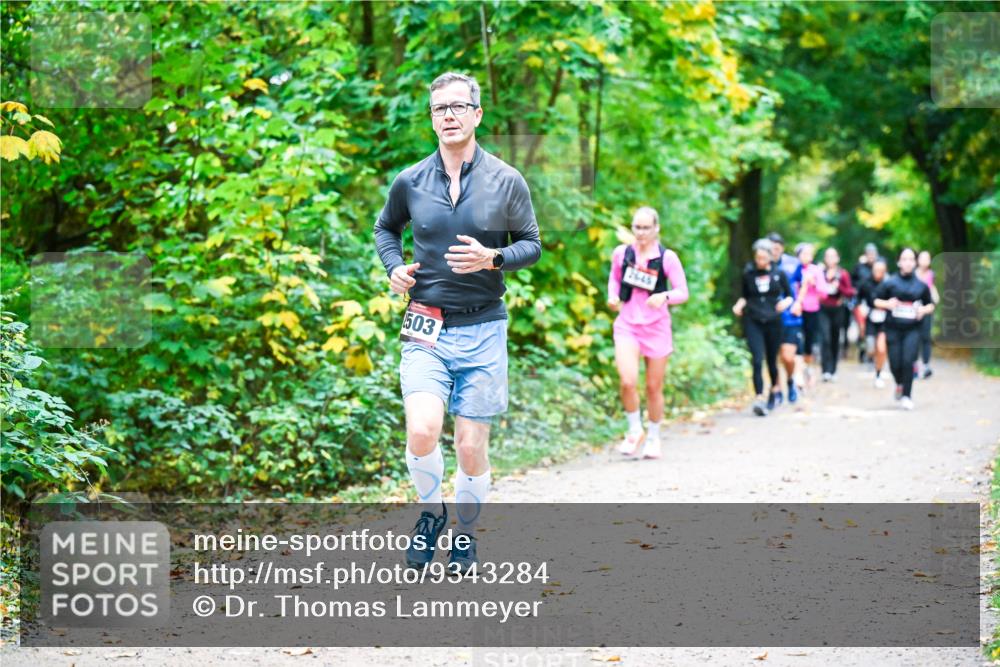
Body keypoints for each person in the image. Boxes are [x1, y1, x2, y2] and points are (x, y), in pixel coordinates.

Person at [374, 72, 542, 572]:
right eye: (438, 109)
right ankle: (432, 512)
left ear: (476, 114)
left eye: (456, 107)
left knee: (470, 447)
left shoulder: (506, 179)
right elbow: (386, 228)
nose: (447, 115)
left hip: (484, 327)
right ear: (431, 119)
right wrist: (394, 267)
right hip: (426, 325)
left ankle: (465, 533)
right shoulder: (411, 180)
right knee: (422, 432)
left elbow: (531, 244)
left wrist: (494, 258)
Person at [607, 206, 689, 459]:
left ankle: (653, 436)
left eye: (645, 228)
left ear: (656, 229)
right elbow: (615, 279)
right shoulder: (622, 253)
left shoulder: (667, 258)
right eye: (636, 227)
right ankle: (634, 430)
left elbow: (682, 292)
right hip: (627, 325)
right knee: (627, 381)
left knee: (654, 387)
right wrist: (612, 295)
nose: (640, 233)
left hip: (656, 328)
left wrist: (664, 296)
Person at [733, 239, 793, 415]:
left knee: (772, 361)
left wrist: (786, 303)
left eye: (763, 258)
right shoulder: (748, 273)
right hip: (753, 319)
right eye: (757, 258)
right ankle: (759, 397)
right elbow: (744, 296)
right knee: (757, 359)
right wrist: (739, 305)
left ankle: (774, 392)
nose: (760, 261)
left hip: (773, 320)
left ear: (770, 257)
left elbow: (790, 295)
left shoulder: (779, 273)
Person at [873, 248, 935, 410]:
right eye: (904, 259)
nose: (907, 262)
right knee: (895, 363)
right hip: (893, 328)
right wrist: (887, 304)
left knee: (908, 361)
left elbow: (930, 305)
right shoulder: (890, 283)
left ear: (915, 263)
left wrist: (923, 310)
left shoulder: (921, 286)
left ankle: (907, 395)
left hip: (912, 329)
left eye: (911, 259)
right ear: (899, 262)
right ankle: (899, 384)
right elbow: (875, 300)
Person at [767, 232, 803, 404]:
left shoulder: (793, 264)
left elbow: (804, 283)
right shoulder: (761, 264)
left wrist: (798, 302)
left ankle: (790, 380)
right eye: (771, 247)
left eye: (777, 247)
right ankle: (777, 388)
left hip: (790, 317)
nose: (774, 250)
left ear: (782, 247)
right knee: (773, 356)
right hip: (769, 317)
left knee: (788, 356)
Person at [790, 243, 828, 387]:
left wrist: (814, 284)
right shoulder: (793, 270)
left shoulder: (816, 271)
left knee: (809, 341)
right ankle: (797, 372)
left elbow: (824, 293)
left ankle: (807, 368)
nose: (807, 257)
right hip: (795, 311)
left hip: (812, 310)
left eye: (809, 254)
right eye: (804, 254)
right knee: (796, 340)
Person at [817, 247, 855, 381]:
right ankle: (825, 370)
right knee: (825, 338)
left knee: (834, 338)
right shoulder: (820, 272)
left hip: (837, 310)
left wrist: (839, 286)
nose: (830, 259)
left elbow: (850, 292)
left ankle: (833, 370)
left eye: (833, 256)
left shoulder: (842, 274)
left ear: (838, 258)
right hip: (823, 309)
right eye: (828, 256)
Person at [858, 258, 889, 387]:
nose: (878, 272)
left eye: (881, 270)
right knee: (871, 347)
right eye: (876, 270)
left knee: (881, 348)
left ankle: (878, 373)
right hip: (870, 318)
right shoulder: (866, 283)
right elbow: (858, 299)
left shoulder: (889, 283)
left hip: (884, 320)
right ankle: (873, 359)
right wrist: (860, 310)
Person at [851, 243, 879, 362]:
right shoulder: (859, 267)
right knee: (862, 328)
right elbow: (852, 282)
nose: (871, 256)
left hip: (875, 302)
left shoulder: (879, 267)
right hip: (861, 302)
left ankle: (872, 352)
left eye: (873, 254)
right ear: (865, 255)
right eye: (869, 253)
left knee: (873, 328)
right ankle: (863, 349)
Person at [915, 250, 939, 379]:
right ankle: (914, 365)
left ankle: (926, 365)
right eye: (922, 258)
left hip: (927, 308)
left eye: (927, 258)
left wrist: (934, 299)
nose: (925, 261)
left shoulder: (931, 274)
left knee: (926, 337)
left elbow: (932, 289)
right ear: (918, 260)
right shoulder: (912, 274)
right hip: (914, 309)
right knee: (914, 337)